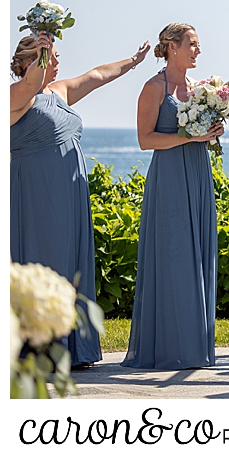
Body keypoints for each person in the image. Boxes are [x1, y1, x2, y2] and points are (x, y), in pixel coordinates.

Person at [10, 30, 150, 368]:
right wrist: (41, 56)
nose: (57, 62)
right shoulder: (16, 95)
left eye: (55, 56)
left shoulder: (59, 91)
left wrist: (132, 63)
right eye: (50, 56)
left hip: (69, 194)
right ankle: (41, 351)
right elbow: (30, 86)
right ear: (32, 60)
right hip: (38, 195)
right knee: (46, 261)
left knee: (71, 263)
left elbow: (97, 76)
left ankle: (74, 349)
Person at [122, 23, 224, 370]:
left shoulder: (201, 89)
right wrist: (190, 138)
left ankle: (194, 347)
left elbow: (201, 137)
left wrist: (211, 133)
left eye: (198, 45)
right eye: (192, 44)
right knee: (173, 254)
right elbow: (145, 140)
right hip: (168, 178)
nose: (197, 50)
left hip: (197, 174)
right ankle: (166, 347)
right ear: (172, 47)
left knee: (197, 254)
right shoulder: (153, 88)